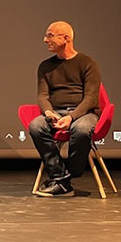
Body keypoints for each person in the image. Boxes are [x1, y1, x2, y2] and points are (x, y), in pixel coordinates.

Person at [27, 21, 101, 197]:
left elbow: (91, 97)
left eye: (50, 35)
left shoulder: (87, 63)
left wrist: (72, 117)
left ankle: (67, 176)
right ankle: (61, 177)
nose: (45, 40)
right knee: (36, 126)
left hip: (82, 113)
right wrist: (48, 112)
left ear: (66, 38)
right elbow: (43, 95)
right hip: (56, 112)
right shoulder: (45, 66)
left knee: (82, 129)